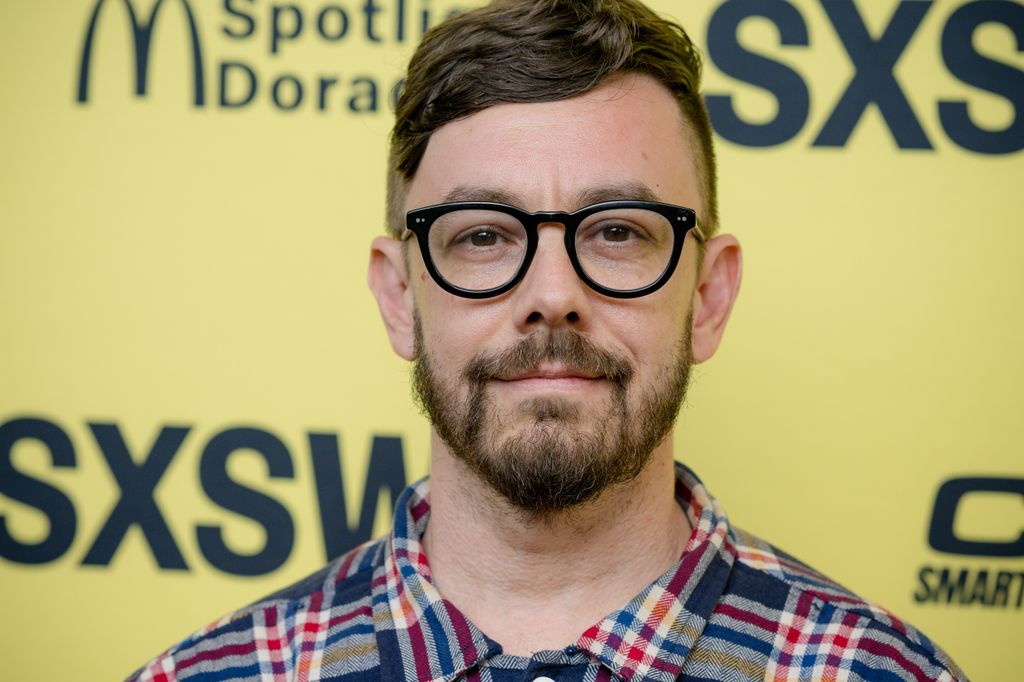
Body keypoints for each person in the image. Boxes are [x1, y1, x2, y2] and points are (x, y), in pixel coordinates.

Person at [130, 0, 964, 680]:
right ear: (398, 297)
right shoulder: (216, 674)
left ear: (708, 295)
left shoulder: (878, 671)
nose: (554, 296)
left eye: (619, 232)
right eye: (484, 235)